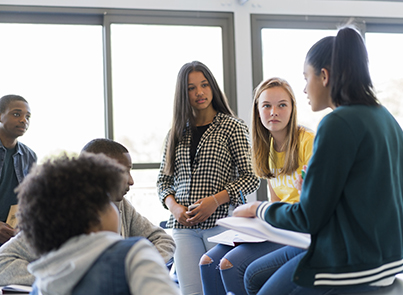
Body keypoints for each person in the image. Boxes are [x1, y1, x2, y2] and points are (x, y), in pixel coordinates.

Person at [234, 26, 403, 295]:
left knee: (258, 286)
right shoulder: (385, 118)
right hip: (389, 261)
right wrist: (311, 190)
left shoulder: (337, 123)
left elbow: (308, 218)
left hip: (351, 265)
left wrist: (258, 209)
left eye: (306, 77)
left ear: (324, 76)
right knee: (255, 278)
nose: (304, 88)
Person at [0, 138, 176, 286]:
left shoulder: (122, 206)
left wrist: (137, 268)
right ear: (98, 172)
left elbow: (163, 239)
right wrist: (62, 278)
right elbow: (3, 262)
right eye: (124, 171)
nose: (131, 181)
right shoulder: (59, 214)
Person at [199, 77, 314, 295]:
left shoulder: (308, 141)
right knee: (207, 261)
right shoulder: (265, 147)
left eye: (282, 105)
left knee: (229, 265)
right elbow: (276, 201)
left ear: (292, 109)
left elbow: (313, 204)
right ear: (258, 111)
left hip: (298, 230)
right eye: (267, 106)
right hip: (277, 225)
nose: (274, 112)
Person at [157, 61, 260, 295]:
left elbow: (251, 176)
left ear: (212, 87)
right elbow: (163, 182)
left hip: (221, 223)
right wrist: (174, 208)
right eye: (191, 88)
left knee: (220, 290)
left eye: (204, 85)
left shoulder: (232, 127)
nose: (199, 92)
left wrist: (214, 200)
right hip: (183, 229)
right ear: (184, 94)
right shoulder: (175, 133)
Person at [0, 95, 36, 245]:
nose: (24, 120)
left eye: (28, 116)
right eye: (16, 114)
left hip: (12, 236)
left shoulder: (30, 156)